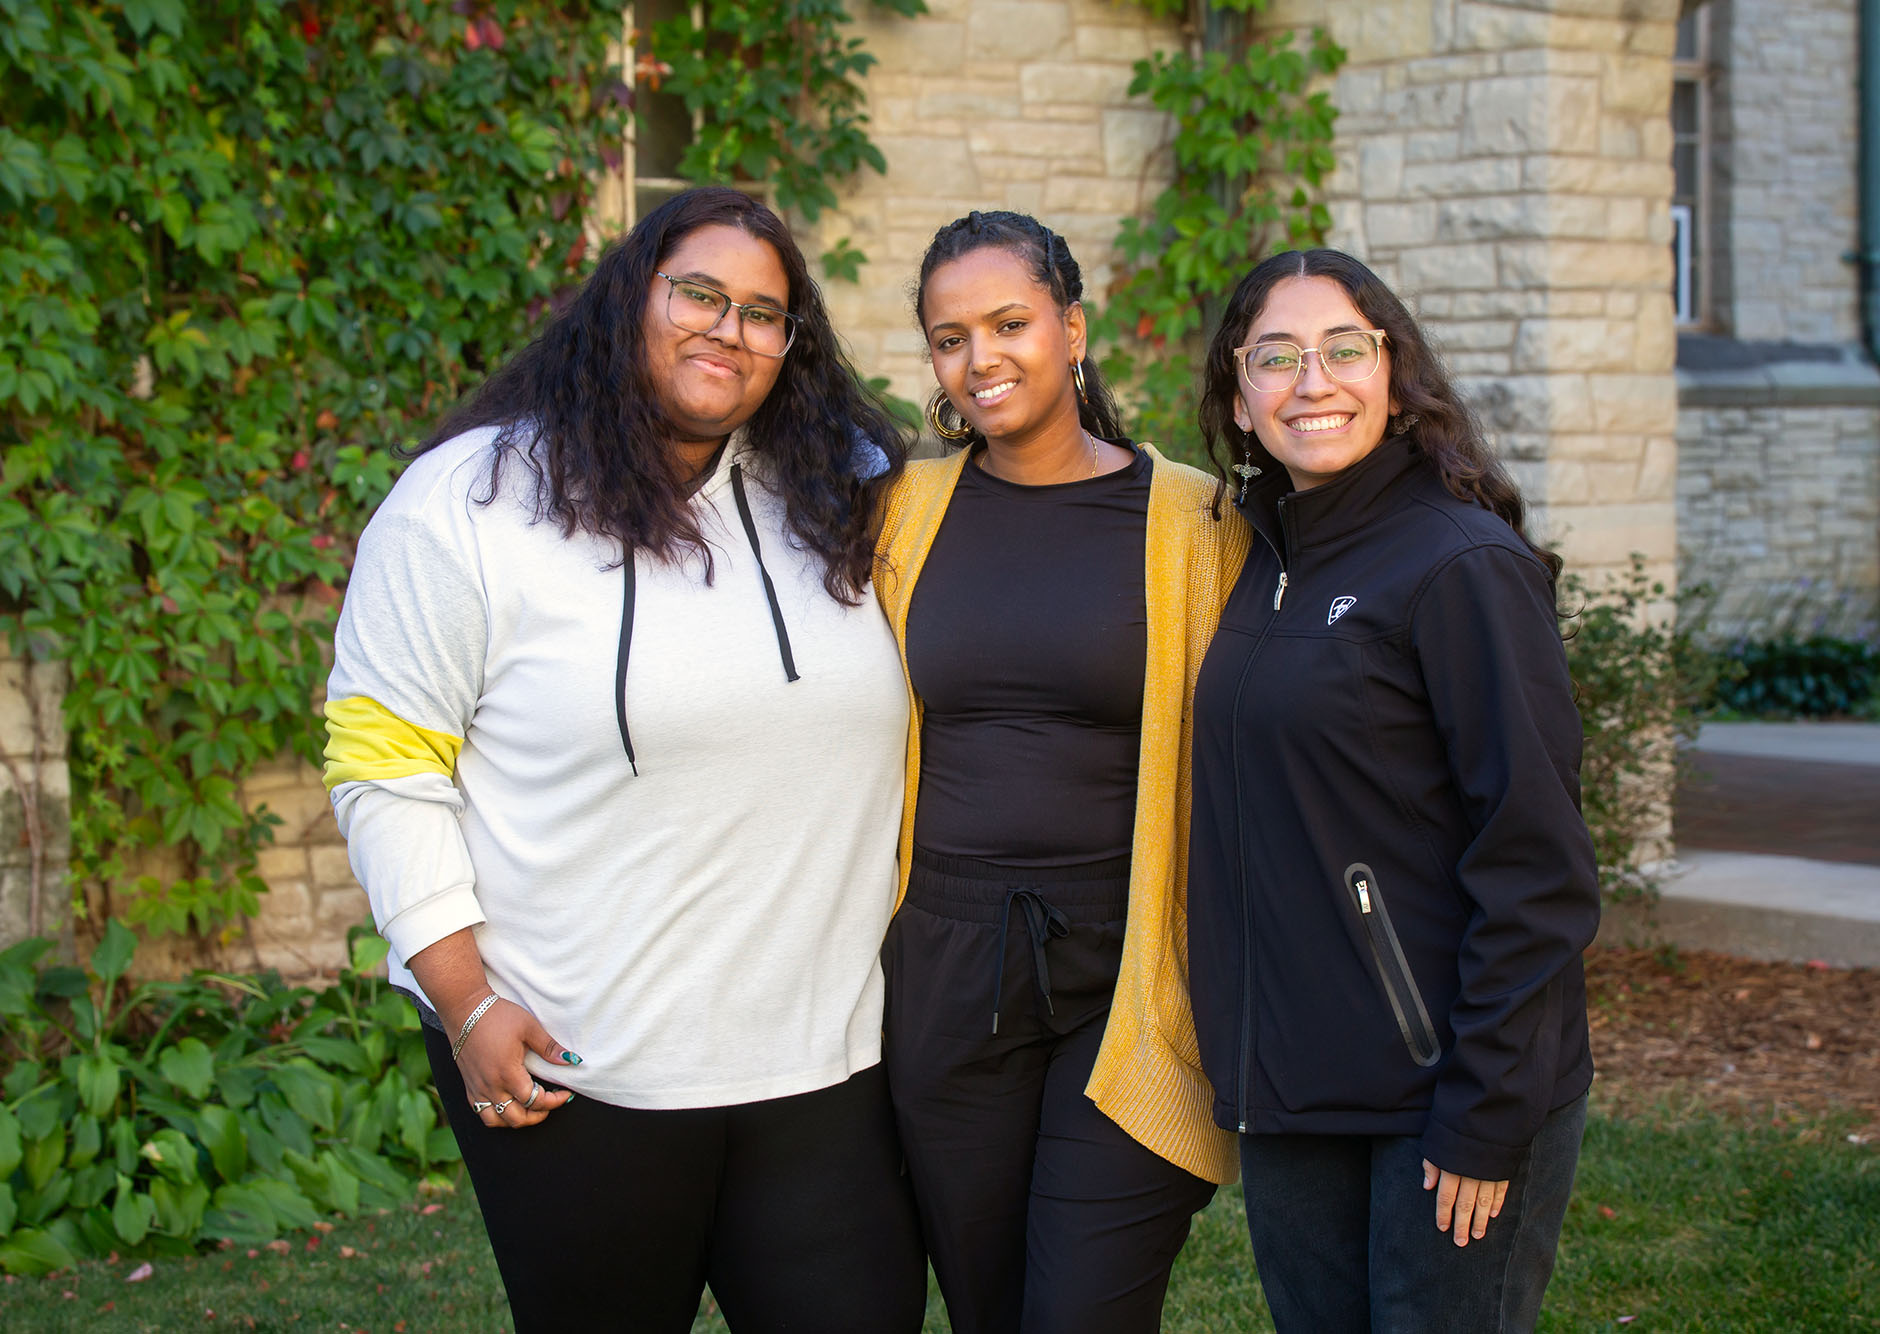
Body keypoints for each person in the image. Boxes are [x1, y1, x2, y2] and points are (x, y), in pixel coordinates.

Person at [320, 186, 926, 1333]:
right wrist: (464, 1000)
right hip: (576, 1068)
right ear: (626, 299)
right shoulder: (470, 502)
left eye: (763, 312)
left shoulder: (840, 493)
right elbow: (384, 760)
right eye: (698, 293)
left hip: (829, 1070)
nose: (727, 328)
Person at [1185, 248, 1600, 1333]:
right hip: (1298, 1086)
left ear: (1392, 371)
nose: (1308, 381)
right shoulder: (1265, 555)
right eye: (1274, 356)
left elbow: (1538, 864)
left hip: (1440, 1089)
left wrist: (1482, 1110)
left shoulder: (1457, 565)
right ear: (1238, 392)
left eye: (1341, 350)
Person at [872, 210, 1250, 1334]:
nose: (980, 358)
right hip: (943, 963)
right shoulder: (902, 513)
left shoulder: (1195, 518)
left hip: (1130, 960)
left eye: (1008, 323)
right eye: (949, 337)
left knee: (1083, 1308)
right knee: (988, 1305)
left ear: (1071, 328)